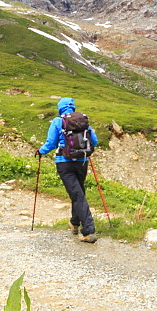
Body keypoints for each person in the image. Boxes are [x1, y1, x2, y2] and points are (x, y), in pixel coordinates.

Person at [37, 97, 100, 243]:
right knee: (78, 192)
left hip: (64, 163)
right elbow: (94, 141)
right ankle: (74, 223)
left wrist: (41, 151)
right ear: (73, 107)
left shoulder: (58, 121)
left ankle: (89, 231)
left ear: (60, 108)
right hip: (82, 162)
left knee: (77, 194)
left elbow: (51, 143)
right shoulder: (83, 120)